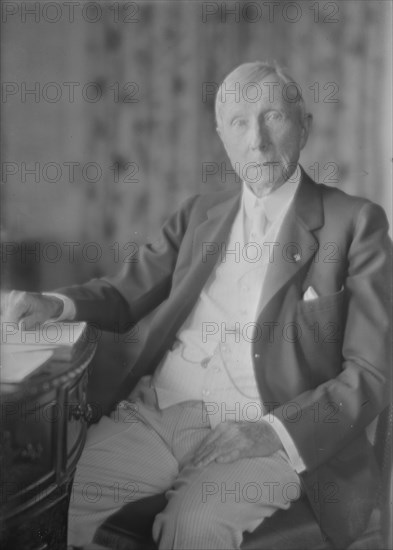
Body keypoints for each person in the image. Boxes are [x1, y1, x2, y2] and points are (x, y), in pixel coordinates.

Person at [4, 62, 391, 550]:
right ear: (222, 137)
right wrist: (55, 304)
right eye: (239, 123)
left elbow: (373, 373)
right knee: (44, 499)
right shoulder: (200, 213)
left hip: (266, 430)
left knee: (193, 528)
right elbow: (126, 293)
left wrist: (272, 432)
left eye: (273, 117)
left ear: (305, 125)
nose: (258, 141)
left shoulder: (356, 224)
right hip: (161, 411)